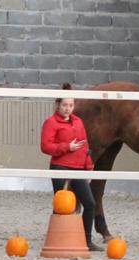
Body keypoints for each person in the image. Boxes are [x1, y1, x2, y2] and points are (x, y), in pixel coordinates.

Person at [40, 85, 98, 251]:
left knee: (89, 203)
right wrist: (66, 147)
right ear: (58, 105)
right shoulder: (51, 123)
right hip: (60, 167)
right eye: (65, 105)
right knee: (62, 205)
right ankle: (58, 238)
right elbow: (45, 146)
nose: (68, 109)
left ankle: (87, 240)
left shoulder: (78, 122)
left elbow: (85, 144)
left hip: (78, 168)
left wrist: (89, 167)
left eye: (71, 106)